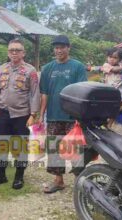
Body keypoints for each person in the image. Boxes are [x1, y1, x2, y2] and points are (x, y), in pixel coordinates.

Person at [0, 38, 40, 190]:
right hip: (2, 114)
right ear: (8, 52)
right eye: (11, 50)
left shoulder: (30, 71)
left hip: (21, 115)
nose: (14, 53)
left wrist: (33, 114)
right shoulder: (1, 69)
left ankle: (19, 177)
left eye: (18, 50)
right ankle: (1, 175)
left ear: (23, 53)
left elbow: (35, 93)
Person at [39, 35, 87, 193]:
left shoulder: (77, 67)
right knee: (54, 149)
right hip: (53, 115)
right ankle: (58, 181)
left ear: (68, 48)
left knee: (75, 151)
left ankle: (80, 184)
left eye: (62, 47)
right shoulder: (47, 68)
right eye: (56, 47)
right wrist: (41, 115)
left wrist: (80, 116)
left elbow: (81, 91)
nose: (59, 50)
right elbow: (44, 94)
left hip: (73, 117)